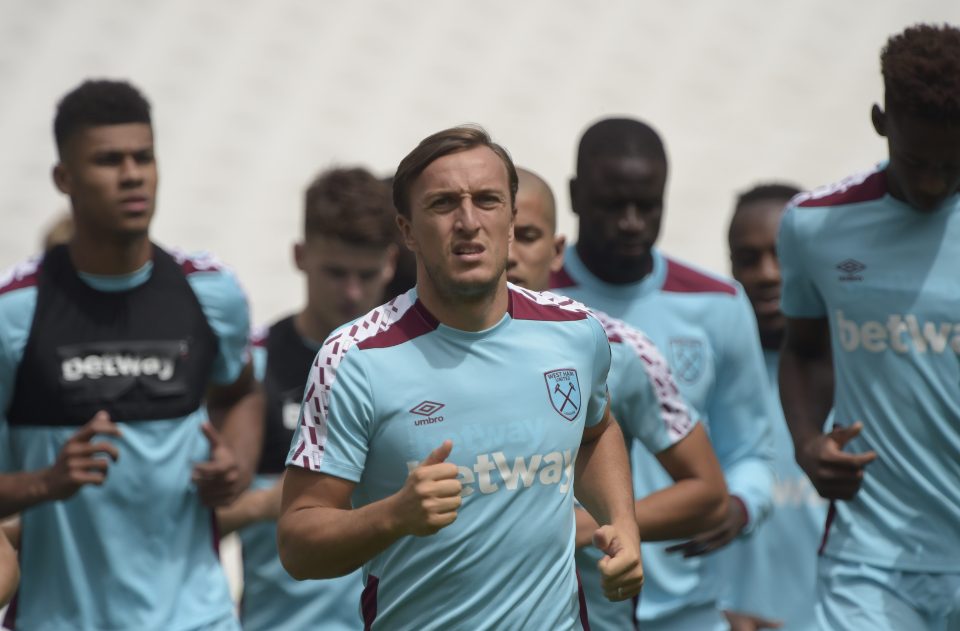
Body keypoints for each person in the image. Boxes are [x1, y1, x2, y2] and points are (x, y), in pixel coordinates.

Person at [278, 125, 643, 630]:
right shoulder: (354, 358)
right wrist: (392, 516)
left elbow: (596, 432)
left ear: (512, 220)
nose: (468, 221)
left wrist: (621, 521)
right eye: (444, 204)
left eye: (488, 200)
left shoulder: (576, 332)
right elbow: (297, 545)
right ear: (406, 230)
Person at [0, 79, 262, 630]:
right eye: (108, 160)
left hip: (196, 618)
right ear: (63, 178)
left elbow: (242, 394)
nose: (131, 174)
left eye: (143, 156)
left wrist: (234, 463)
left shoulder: (212, 292)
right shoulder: (15, 312)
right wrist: (45, 482)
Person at [552, 117, 775, 631]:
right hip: (571, 608)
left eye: (648, 205)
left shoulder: (715, 303)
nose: (631, 221)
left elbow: (751, 454)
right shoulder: (538, 305)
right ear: (576, 195)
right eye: (613, 205)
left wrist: (738, 507)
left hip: (687, 610)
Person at [778, 24, 960, 630]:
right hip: (868, 557)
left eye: (951, 162)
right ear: (881, 121)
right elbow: (804, 352)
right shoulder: (814, 226)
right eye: (916, 161)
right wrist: (808, 444)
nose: (934, 183)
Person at [508, 167, 727, 630]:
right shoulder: (408, 354)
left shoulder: (618, 348)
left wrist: (597, 526)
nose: (508, 254)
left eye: (525, 236)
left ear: (556, 250)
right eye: (496, 236)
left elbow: (708, 495)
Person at [216, 167, 397, 631]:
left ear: (392, 263)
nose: (352, 292)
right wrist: (294, 498)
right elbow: (195, 520)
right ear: (299, 255)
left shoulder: (417, 365)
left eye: (367, 273)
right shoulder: (250, 368)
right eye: (335, 272)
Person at [721, 183, 826, 631]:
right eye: (748, 259)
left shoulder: (863, 378)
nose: (767, 273)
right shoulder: (702, 384)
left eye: (782, 255)